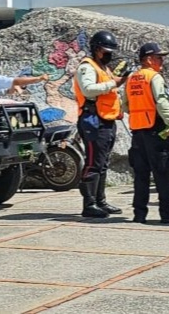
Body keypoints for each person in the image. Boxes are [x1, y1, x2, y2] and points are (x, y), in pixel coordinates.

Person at [73, 30, 129, 218]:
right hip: (93, 121)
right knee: (93, 163)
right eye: (106, 50)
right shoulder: (87, 67)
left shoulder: (103, 67)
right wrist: (114, 84)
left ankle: (100, 201)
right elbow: (88, 90)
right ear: (96, 49)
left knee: (103, 163)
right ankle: (89, 204)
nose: (109, 54)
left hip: (107, 120)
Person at [125, 43, 169, 225]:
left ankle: (139, 214)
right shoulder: (153, 77)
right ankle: (166, 215)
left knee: (141, 176)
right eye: (158, 57)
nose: (162, 61)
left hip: (137, 132)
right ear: (148, 59)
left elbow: (124, 104)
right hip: (157, 131)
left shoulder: (131, 78)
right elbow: (162, 102)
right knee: (163, 174)